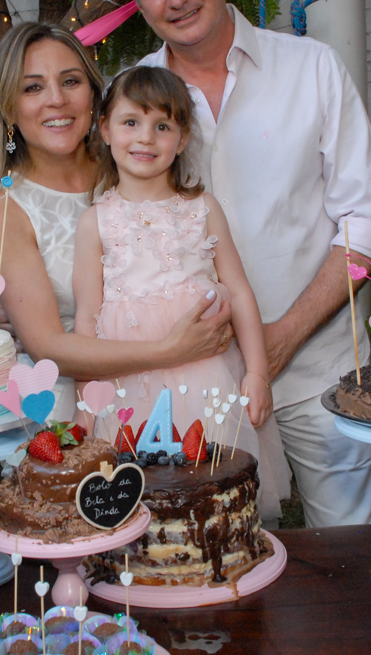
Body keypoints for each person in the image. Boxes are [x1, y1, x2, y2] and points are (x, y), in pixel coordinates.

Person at [115, 0, 371, 526]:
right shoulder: (131, 101)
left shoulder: (312, 68)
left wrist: (282, 339)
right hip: (193, 386)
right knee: (218, 555)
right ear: (139, 5)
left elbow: (370, 224)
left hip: (321, 365)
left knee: (352, 548)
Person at [0, 22, 236, 425]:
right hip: (75, 409)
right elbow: (46, 346)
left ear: (94, 94)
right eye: (33, 87)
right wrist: (170, 350)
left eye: (70, 81)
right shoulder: (1, 206)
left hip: (189, 389)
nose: (56, 99)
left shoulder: (137, 164)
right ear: (8, 107)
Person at [72, 66, 292, 519]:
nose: (145, 138)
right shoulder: (95, 221)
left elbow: (240, 293)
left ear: (183, 137)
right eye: (131, 122)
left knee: (210, 493)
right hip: (125, 383)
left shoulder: (202, 208)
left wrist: (257, 372)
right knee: (139, 499)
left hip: (206, 378)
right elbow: (87, 318)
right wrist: (86, 404)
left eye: (162, 126)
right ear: (105, 130)